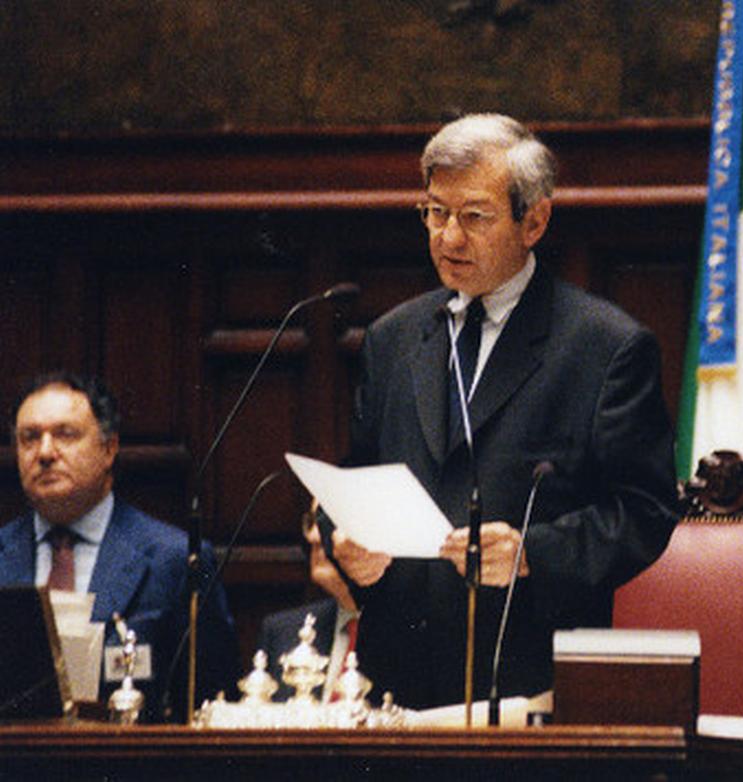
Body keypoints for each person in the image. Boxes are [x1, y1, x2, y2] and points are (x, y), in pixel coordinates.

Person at [324, 114, 679, 709]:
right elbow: (355, 477)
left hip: (525, 680)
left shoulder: (605, 345)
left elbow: (645, 512)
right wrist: (344, 542)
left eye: (474, 217)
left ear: (533, 220)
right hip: (394, 680)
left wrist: (533, 554)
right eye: (436, 213)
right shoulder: (393, 337)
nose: (449, 237)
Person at [0, 372, 239, 722]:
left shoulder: (176, 560)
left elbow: (214, 702)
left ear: (109, 448)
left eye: (65, 434)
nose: (45, 452)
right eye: (29, 438)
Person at [257, 504, 359, 702]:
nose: (314, 536)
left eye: (330, 521)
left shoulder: (415, 632)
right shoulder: (282, 632)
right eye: (312, 521)